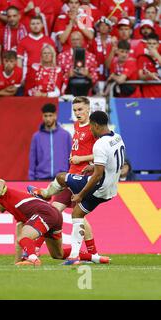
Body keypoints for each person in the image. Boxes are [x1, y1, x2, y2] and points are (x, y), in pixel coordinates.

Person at [31, 111, 125, 265]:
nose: (90, 131)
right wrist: (93, 166)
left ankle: (45, 194)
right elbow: (115, 162)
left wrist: (80, 195)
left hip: (98, 186)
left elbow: (97, 176)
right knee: (77, 213)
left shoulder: (99, 144)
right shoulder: (117, 137)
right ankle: (74, 257)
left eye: (91, 128)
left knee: (61, 177)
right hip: (111, 190)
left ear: (95, 125)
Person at [28, 97, 101, 257]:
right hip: (71, 174)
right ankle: (93, 253)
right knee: (72, 214)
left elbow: (101, 154)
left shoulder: (94, 128)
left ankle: (35, 249)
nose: (77, 113)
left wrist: (80, 159)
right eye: (75, 110)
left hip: (80, 178)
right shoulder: (76, 125)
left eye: (80, 109)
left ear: (88, 109)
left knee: (53, 211)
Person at [0, 180, 108, 266]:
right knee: (57, 254)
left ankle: (33, 258)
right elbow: (19, 239)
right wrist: (17, 262)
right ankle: (96, 258)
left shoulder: (3, 194)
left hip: (45, 213)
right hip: (54, 215)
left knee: (23, 237)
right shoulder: (15, 211)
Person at [28, 103, 72, 181]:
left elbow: (71, 158)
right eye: (46, 116)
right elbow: (32, 160)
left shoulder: (66, 135)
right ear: (42, 116)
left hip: (62, 179)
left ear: (55, 115)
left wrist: (70, 177)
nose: (48, 119)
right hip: (41, 179)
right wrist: (31, 179)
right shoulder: (36, 137)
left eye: (50, 115)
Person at [57, 31, 98, 95]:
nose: (75, 42)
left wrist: (88, 75)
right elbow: (57, 78)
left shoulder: (91, 57)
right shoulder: (62, 56)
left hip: (86, 92)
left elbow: (95, 78)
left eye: (77, 39)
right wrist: (68, 75)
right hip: (67, 92)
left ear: (82, 41)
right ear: (70, 42)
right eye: (73, 40)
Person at [137, 33, 161, 98]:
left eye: (154, 44)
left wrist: (157, 55)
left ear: (158, 45)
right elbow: (140, 76)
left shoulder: (159, 57)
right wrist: (148, 76)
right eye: (149, 43)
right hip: (147, 96)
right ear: (146, 45)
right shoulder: (141, 58)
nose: (151, 46)